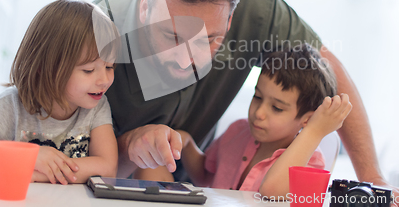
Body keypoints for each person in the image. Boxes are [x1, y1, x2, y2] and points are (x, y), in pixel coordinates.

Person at [94, 0, 399, 206]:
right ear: (144, 9)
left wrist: (372, 178)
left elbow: (326, 68)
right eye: (172, 37)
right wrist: (129, 145)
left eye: (209, 40)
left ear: (231, 18)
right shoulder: (94, 33)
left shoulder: (256, 7)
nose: (187, 60)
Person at [138, 44, 352, 197]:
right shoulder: (238, 131)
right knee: (148, 166)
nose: (259, 112)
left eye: (277, 108)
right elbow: (205, 176)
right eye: (257, 97)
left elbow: (272, 191)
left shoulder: (311, 162)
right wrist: (186, 142)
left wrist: (314, 132)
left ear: (307, 120)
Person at [0, 0, 119, 185]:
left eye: (109, 67)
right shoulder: (12, 105)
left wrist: (37, 174)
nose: (105, 80)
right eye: (88, 70)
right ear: (44, 67)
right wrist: (26, 156)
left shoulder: (97, 106)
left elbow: (107, 166)